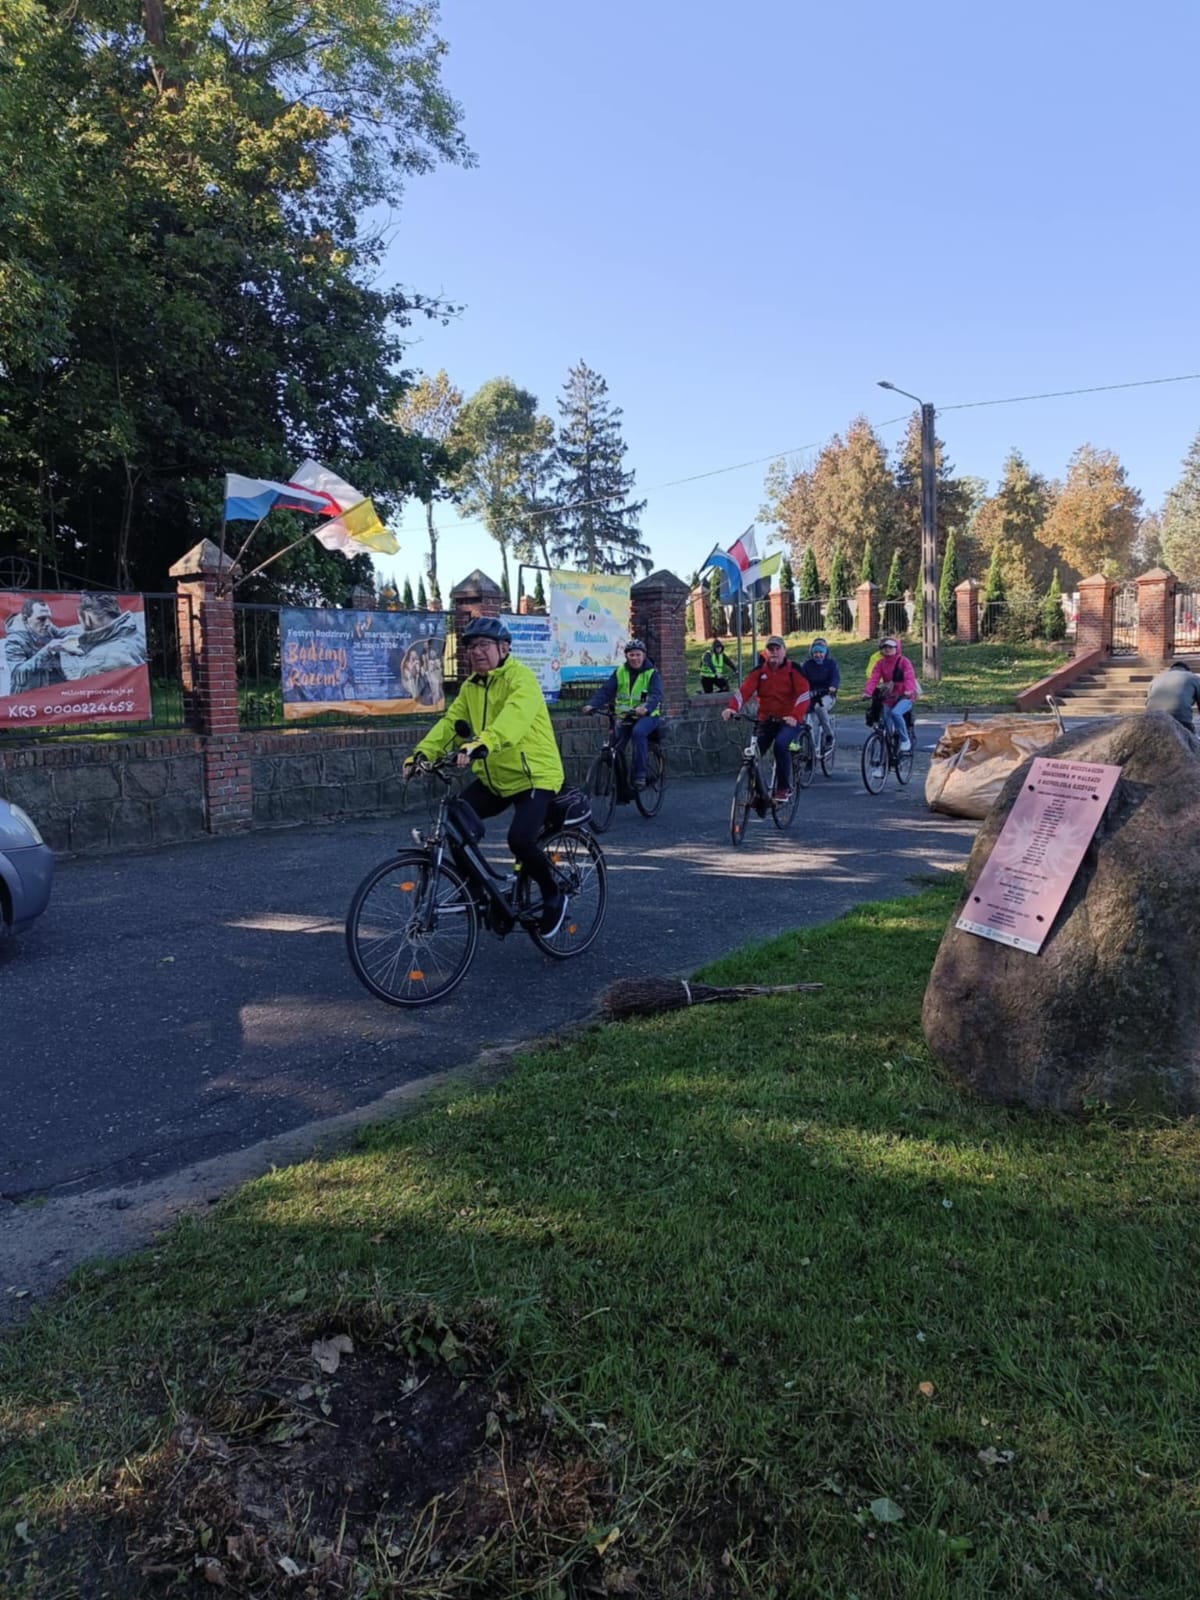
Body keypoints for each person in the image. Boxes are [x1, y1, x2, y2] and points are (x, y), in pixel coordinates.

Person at [407, 615, 570, 936]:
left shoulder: (521, 679)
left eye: (484, 644)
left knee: (519, 840)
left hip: (534, 775)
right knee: (455, 824)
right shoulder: (471, 687)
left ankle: (553, 893)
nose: (477, 652)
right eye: (471, 646)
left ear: (504, 648)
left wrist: (484, 742)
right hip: (496, 777)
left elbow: (514, 717)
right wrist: (422, 753)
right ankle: (478, 893)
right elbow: (451, 724)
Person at [721, 635, 811, 801]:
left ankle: (783, 788)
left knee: (781, 745)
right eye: (771, 649)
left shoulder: (794, 670)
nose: (774, 652)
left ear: (784, 651)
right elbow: (744, 691)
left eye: (777, 649)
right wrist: (732, 708)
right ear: (766, 652)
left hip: (788, 721)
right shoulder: (759, 671)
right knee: (753, 754)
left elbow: (804, 695)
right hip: (766, 720)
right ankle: (757, 792)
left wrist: (795, 716)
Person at [583, 638, 663, 788]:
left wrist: (646, 708)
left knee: (638, 732)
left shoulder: (651, 673)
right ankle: (622, 785)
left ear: (644, 655)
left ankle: (640, 775)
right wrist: (592, 704)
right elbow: (606, 691)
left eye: (638, 655)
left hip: (648, 716)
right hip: (626, 716)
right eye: (631, 655)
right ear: (626, 656)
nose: (635, 658)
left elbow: (656, 694)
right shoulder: (620, 672)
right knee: (615, 746)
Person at [56, 593, 147, 679]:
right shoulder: (140, 630)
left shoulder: (96, 662)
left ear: (87, 617)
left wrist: (68, 658)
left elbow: (81, 687)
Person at [863, 636, 916, 778]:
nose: (887, 649)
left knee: (896, 713)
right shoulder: (880, 663)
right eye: (885, 647)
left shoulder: (904, 661)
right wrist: (868, 692)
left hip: (904, 697)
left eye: (891, 647)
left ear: (897, 648)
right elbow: (874, 678)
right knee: (885, 732)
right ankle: (880, 766)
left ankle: (905, 740)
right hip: (889, 698)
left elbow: (909, 677)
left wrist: (908, 691)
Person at [4, 597, 69, 692]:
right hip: (28, 697)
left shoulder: (47, 629)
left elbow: (64, 632)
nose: (48, 623)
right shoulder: (15, 640)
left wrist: (87, 630)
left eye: (49, 618)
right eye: (41, 619)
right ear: (25, 619)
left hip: (51, 693)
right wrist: (47, 651)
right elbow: (18, 676)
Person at [799, 636, 839, 755]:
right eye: (815, 652)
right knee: (799, 711)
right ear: (812, 653)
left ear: (825, 653)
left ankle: (829, 736)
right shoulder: (807, 665)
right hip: (811, 695)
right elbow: (801, 680)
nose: (818, 655)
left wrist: (833, 686)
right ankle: (802, 743)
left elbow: (835, 677)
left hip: (827, 695)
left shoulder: (831, 664)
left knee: (819, 707)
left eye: (821, 652)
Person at [1144, 661, 1200, 730]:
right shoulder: (1192, 677)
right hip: (1180, 719)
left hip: (1152, 719)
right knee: (1188, 735)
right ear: (1187, 670)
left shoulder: (1156, 679)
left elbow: (1148, 702)